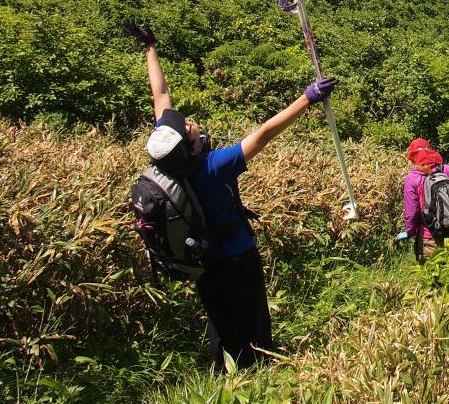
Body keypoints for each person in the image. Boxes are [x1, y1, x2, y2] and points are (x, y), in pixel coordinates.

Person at [125, 19, 338, 370]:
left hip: (202, 262)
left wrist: (151, 48)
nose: (190, 122)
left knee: (219, 319)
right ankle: (261, 372)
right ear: (191, 146)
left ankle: (223, 371)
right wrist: (308, 97)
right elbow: (265, 134)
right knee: (252, 314)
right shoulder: (213, 165)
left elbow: (159, 95)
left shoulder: (166, 156)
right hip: (236, 256)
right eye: (189, 126)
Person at [399, 143, 449, 263]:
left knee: (432, 277)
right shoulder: (446, 170)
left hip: (429, 235)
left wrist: (409, 232)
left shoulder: (412, 178)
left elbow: (412, 212)